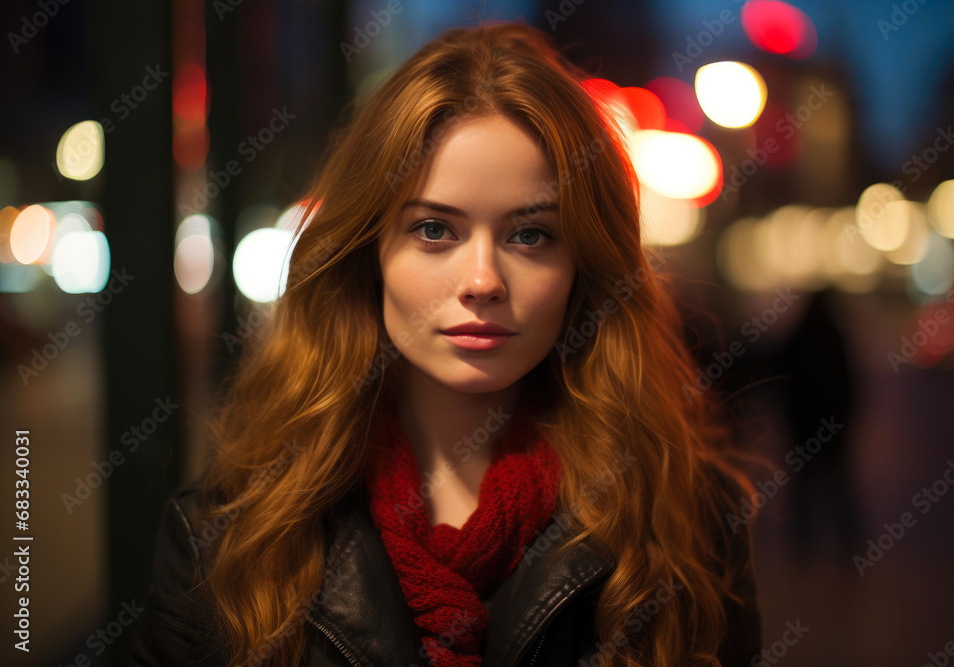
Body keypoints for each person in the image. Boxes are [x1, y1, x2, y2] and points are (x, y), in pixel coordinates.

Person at [129, 21, 763, 667]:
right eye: (435, 229)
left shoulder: (685, 519)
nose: (483, 281)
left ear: (585, 267)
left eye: (531, 235)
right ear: (368, 254)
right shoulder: (226, 536)